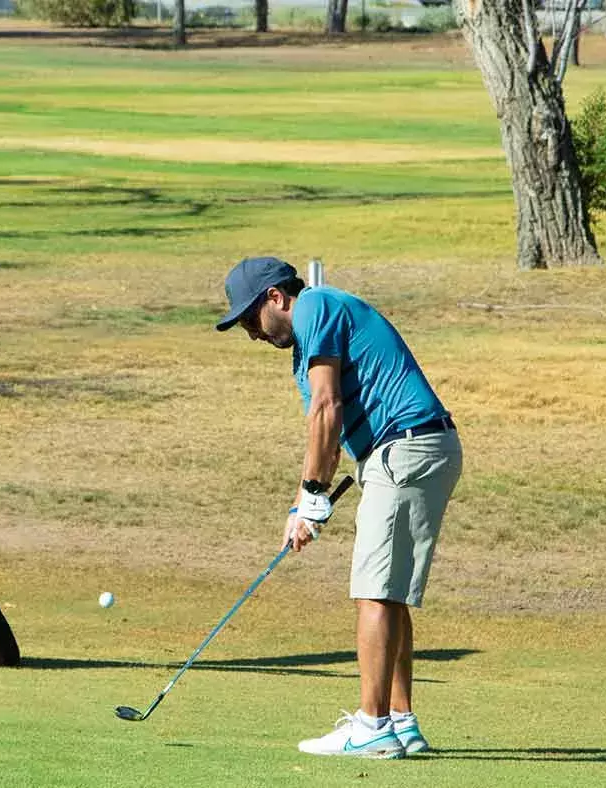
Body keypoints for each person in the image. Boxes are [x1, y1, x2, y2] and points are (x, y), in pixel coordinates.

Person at [216, 256, 462, 759]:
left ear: (275, 298)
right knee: (388, 592)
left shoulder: (317, 308)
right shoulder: (312, 330)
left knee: (373, 591)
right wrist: (309, 501)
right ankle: (400, 720)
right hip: (408, 449)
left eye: (248, 319)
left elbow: (326, 407)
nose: (251, 334)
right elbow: (327, 429)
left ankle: (372, 728)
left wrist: (310, 497)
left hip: (404, 448)